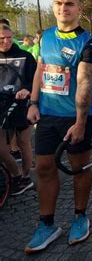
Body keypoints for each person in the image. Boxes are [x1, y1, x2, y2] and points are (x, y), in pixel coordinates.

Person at [25, 0, 92, 253]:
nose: (63, 8)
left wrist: (80, 122)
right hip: (47, 114)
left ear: (79, 8)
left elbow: (84, 84)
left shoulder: (89, 43)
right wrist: (33, 102)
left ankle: (80, 216)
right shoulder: (45, 37)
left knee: (78, 168)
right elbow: (40, 70)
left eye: (69, 4)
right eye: (58, 3)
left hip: (76, 117)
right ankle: (47, 224)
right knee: (44, 167)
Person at [0, 23, 36, 195]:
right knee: (2, 149)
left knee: (23, 143)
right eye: (1, 38)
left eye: (9, 37)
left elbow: (35, 80)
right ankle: (15, 175)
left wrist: (27, 89)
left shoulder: (26, 56)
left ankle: (25, 177)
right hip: (2, 107)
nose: (6, 41)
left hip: (23, 105)